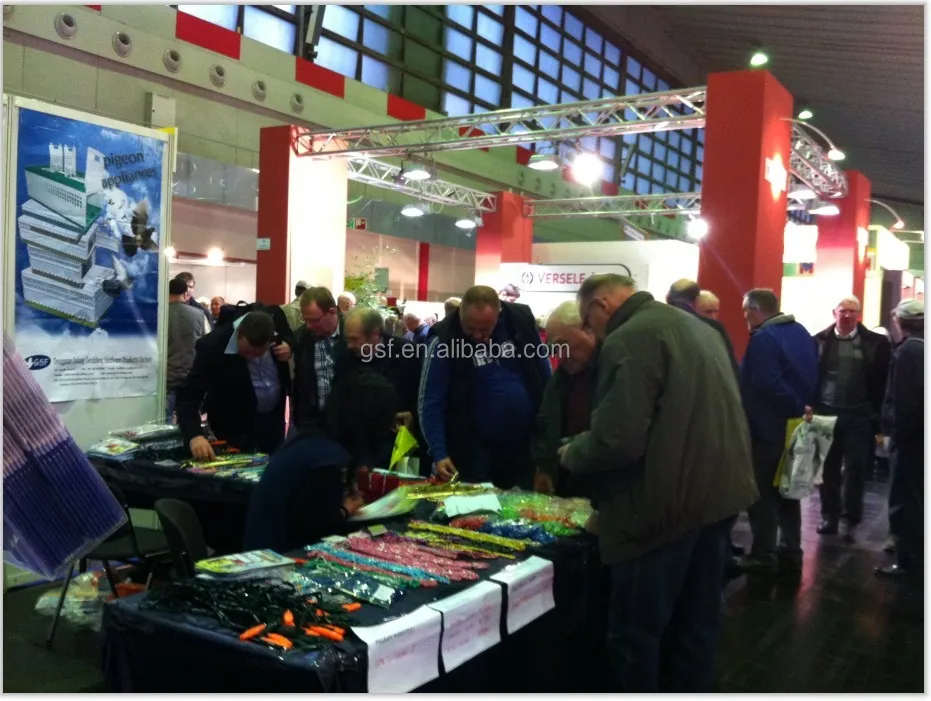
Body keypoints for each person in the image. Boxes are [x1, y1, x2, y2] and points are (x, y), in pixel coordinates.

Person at [560, 274, 757, 693]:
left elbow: (618, 440)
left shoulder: (630, 337)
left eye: (588, 322)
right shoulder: (699, 328)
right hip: (718, 497)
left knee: (636, 635)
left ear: (601, 304)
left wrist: (572, 453)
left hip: (661, 510)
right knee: (697, 624)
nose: (592, 334)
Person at [243, 371, 399, 552]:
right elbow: (314, 528)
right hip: (280, 559)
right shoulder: (327, 460)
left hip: (267, 548)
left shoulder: (315, 439)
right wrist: (345, 510)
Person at [419, 285, 551, 489]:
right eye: (470, 328)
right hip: (473, 448)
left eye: (485, 328)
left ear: (499, 314)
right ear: (460, 311)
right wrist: (439, 452)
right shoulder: (443, 339)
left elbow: (543, 368)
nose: (478, 335)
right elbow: (430, 401)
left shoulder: (520, 319)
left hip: (522, 442)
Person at [736, 289, 818, 574]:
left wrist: (795, 405)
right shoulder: (801, 332)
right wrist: (802, 408)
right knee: (789, 490)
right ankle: (792, 548)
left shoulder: (763, 340)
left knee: (762, 496)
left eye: (746, 311)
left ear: (756, 311)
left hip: (766, 429)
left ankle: (763, 552)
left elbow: (768, 383)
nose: (745, 317)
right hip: (796, 429)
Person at [810, 295, 891, 541]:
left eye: (852, 312)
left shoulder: (876, 343)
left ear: (859, 315)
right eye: (843, 311)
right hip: (826, 411)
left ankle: (851, 513)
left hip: (859, 412)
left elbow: (883, 379)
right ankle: (829, 516)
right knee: (828, 466)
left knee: (857, 466)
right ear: (834, 313)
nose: (847, 316)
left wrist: (878, 414)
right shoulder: (819, 341)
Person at [176, 310, 293, 460]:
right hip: (234, 429)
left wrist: (289, 346)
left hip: (272, 424)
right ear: (238, 334)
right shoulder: (212, 347)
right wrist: (194, 435)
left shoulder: (276, 322)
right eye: (246, 353)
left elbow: (292, 336)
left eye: (256, 354)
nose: (251, 358)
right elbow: (188, 394)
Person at [875, 300, 924, 577]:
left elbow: (905, 402)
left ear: (899, 321)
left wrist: (895, 434)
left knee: (905, 499)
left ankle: (908, 560)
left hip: (909, 441)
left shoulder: (908, 352)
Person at [344, 307, 424, 468]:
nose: (349, 345)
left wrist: (412, 415)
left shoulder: (408, 353)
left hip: (400, 447)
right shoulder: (346, 357)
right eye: (347, 339)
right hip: (359, 446)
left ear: (374, 334)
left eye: (354, 339)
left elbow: (424, 396)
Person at [532, 301, 598, 498]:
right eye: (555, 349)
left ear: (588, 331)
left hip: (605, 485)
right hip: (567, 481)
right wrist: (544, 468)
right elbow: (546, 423)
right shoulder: (560, 379)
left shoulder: (616, 373)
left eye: (563, 345)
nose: (560, 355)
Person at [292, 286, 347, 433]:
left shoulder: (353, 335)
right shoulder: (302, 339)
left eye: (314, 320)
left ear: (332, 312)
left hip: (347, 423)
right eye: (306, 320)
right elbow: (300, 382)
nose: (309, 326)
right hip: (313, 423)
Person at [666, 279, 738, 377]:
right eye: (707, 311)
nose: (713, 316)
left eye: (715, 311)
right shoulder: (712, 328)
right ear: (695, 306)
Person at [166, 278, 206, 422]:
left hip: (167, 378)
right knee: (190, 421)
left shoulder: (160, 314)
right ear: (185, 292)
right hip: (190, 375)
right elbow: (205, 344)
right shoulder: (199, 315)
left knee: (165, 422)